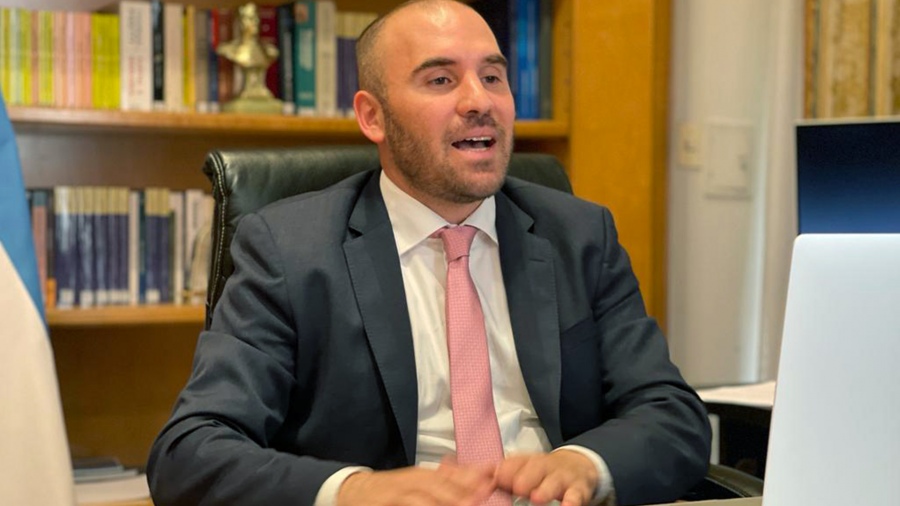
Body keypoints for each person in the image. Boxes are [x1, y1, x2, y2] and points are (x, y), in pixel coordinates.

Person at [147, 1, 711, 505]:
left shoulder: (580, 235)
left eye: (493, 77)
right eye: (441, 80)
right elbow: (191, 451)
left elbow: (672, 414)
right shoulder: (290, 249)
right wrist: (355, 490)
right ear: (373, 116)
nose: (479, 101)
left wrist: (585, 465)